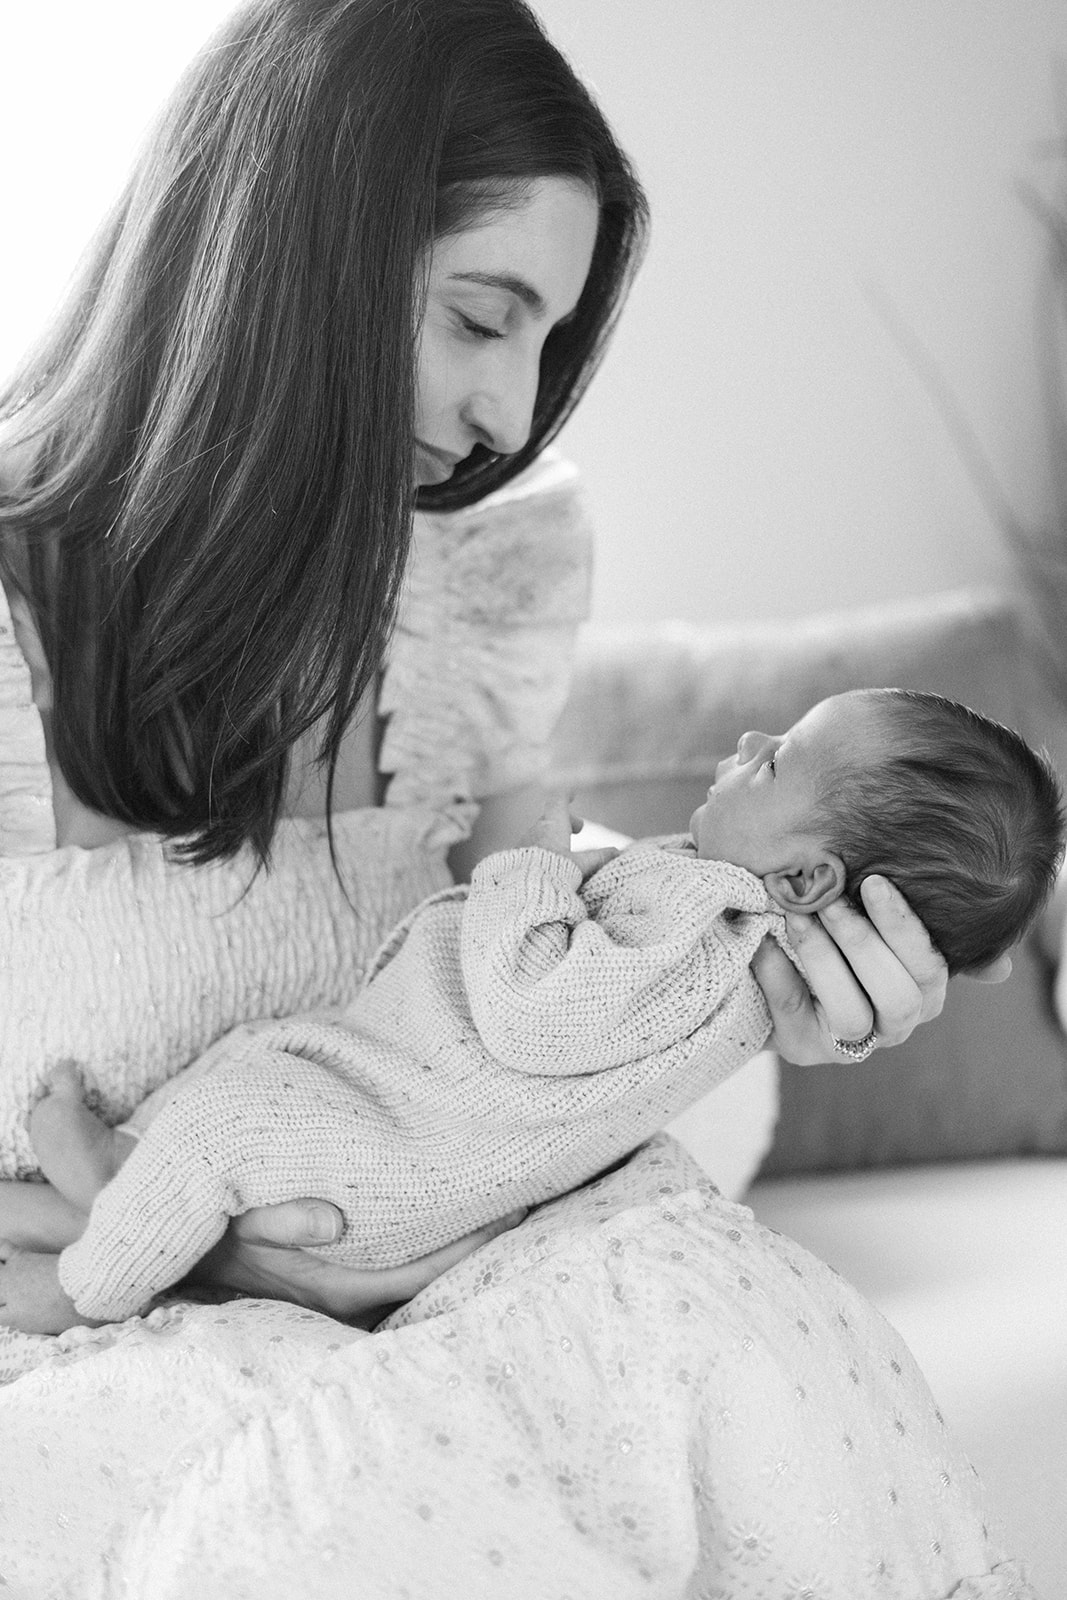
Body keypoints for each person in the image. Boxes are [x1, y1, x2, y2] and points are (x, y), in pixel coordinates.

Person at [0, 0, 963, 1341]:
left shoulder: (481, 576)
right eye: (478, 317)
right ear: (292, 253)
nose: (506, 417)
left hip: (428, 1328)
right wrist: (195, 1259)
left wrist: (765, 1002)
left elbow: (526, 1034)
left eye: (542, 345)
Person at [1, 686, 1057, 1335]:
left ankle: (88, 1290)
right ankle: (102, 1188)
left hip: (403, 1153)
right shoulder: (719, 921)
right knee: (238, 1085)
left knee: (229, 1126)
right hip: (404, 1102)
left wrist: (533, 865)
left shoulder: (708, 926)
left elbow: (535, 1014)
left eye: (773, 757)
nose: (743, 740)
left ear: (810, 881)